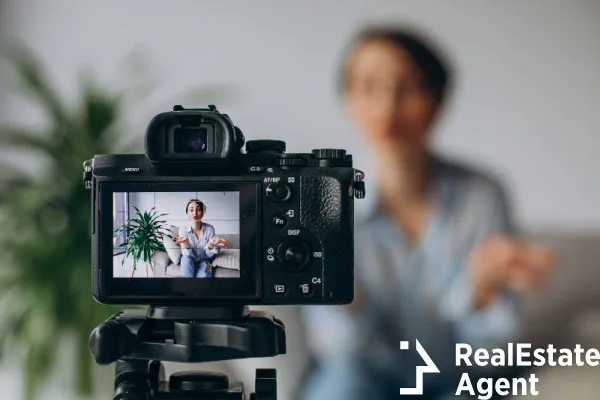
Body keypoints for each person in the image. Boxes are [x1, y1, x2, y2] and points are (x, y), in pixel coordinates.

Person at [300, 25, 557, 399]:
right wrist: (343, 296)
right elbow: (337, 350)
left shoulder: (482, 196)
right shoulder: (322, 204)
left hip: (458, 382)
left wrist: (481, 294)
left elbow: (492, 361)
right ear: (348, 100)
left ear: (437, 102)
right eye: (369, 86)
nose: (387, 106)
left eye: (408, 87)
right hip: (365, 379)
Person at [172, 199, 228, 278]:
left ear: (203, 213)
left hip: (205, 260)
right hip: (188, 259)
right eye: (191, 210)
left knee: (205, 276)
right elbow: (186, 255)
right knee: (186, 271)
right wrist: (186, 244)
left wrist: (211, 245)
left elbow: (209, 256)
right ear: (187, 213)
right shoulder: (183, 229)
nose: (195, 213)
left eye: (198, 210)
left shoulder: (210, 228)